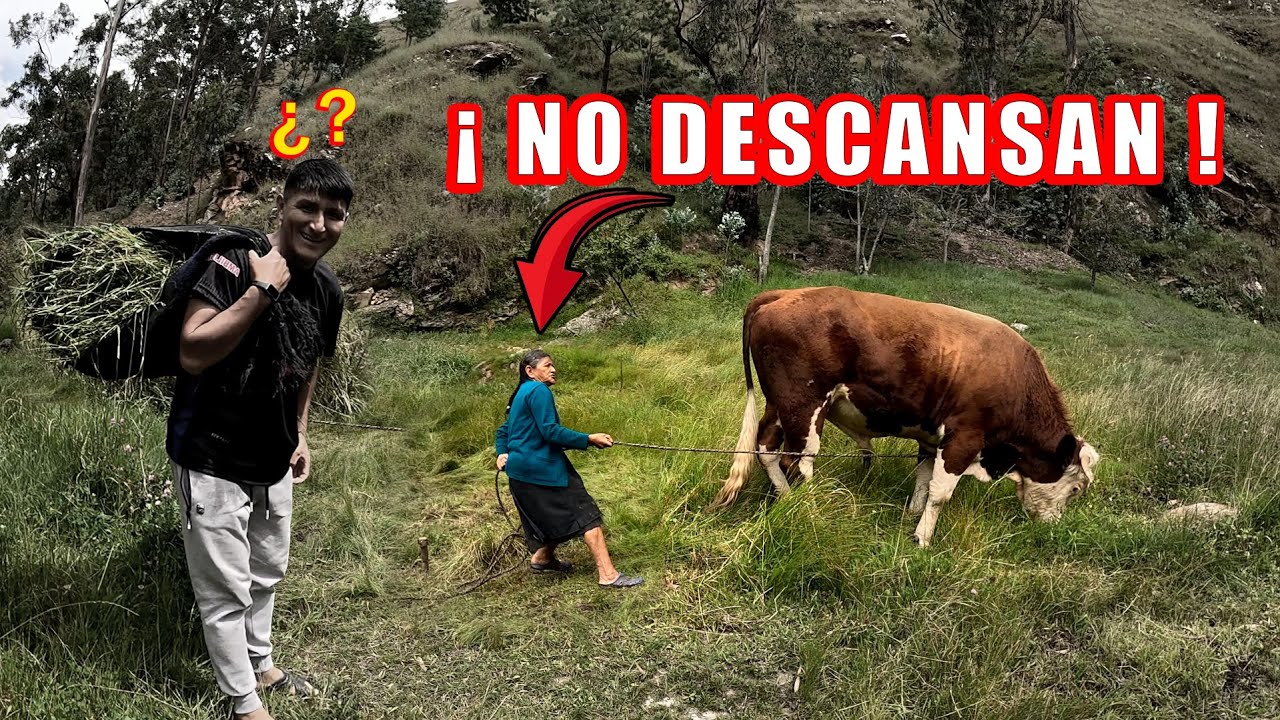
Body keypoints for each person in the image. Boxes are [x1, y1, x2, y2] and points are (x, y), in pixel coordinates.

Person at [167, 158, 351, 720]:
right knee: (225, 590)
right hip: (210, 450)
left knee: (267, 569)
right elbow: (193, 350)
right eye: (308, 208)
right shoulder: (232, 262)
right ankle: (243, 703)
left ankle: (261, 661)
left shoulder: (327, 290)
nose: (320, 224)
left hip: (272, 455)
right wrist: (261, 292)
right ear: (282, 204)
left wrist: (300, 432)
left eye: (335, 215)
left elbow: (311, 363)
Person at [495, 349, 643, 588]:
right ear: (530, 371)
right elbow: (550, 431)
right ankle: (608, 575)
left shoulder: (520, 394)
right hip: (543, 471)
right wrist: (589, 438)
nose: (553, 370)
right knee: (586, 515)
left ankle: (542, 558)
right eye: (547, 365)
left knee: (550, 517)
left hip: (521, 474)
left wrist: (502, 452)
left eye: (553, 365)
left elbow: (504, 430)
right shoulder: (538, 390)